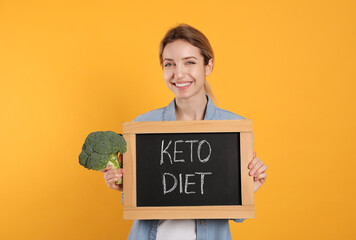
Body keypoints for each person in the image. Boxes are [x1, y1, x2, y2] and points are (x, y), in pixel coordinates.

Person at [102, 23, 268, 240]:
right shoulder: (142, 126)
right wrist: (122, 186)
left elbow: (235, 214)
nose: (178, 74)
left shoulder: (233, 128)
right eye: (169, 64)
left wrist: (248, 188)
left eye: (189, 62)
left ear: (208, 66)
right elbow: (139, 202)